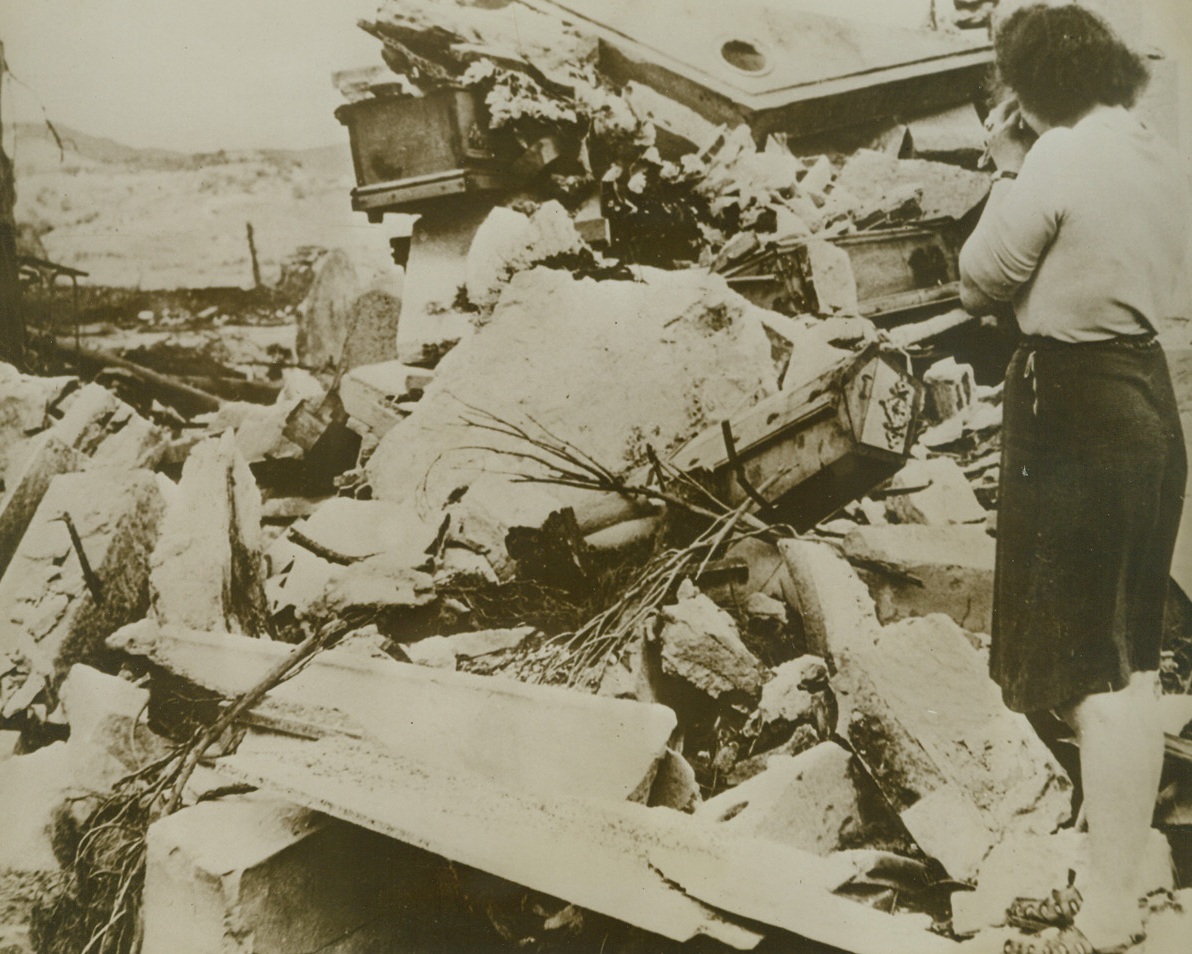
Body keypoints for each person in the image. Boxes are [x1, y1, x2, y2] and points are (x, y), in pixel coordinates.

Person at [958, 4, 1190, 953]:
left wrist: (1011, 164)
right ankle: (1120, 876)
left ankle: (1107, 912)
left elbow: (977, 280)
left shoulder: (1056, 156)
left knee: (1097, 676)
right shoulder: (1153, 149)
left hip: (1078, 410)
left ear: (1031, 85)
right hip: (1143, 394)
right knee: (1122, 655)